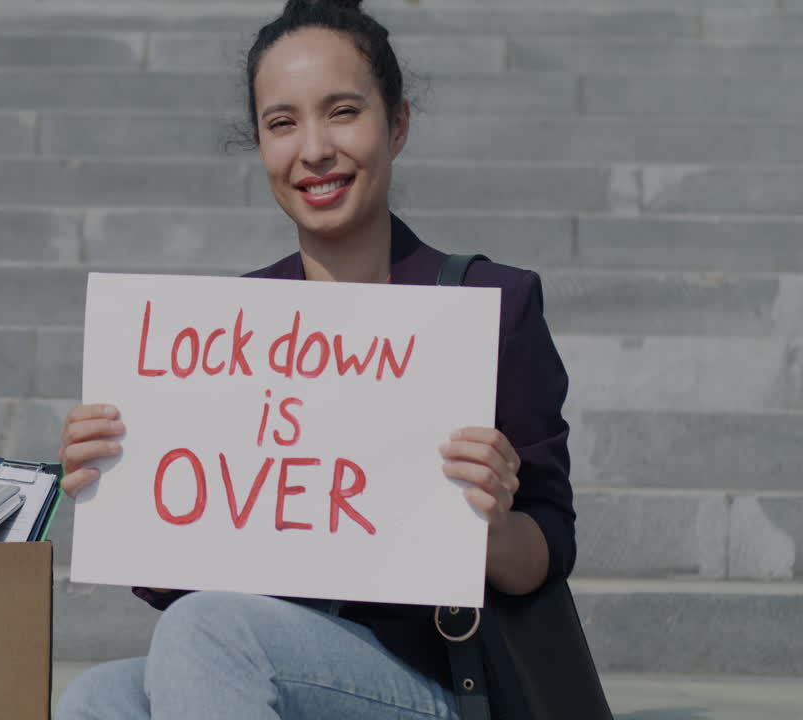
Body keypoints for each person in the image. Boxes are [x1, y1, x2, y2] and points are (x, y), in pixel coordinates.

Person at [54, 0, 575, 717]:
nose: (314, 149)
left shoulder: (490, 304)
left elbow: (545, 554)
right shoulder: (228, 332)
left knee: (210, 632)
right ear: (261, 144)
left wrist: (488, 523)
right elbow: (185, 586)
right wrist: (120, 479)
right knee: (97, 696)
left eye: (342, 112)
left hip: (441, 688)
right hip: (272, 656)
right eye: (282, 123)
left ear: (397, 124)